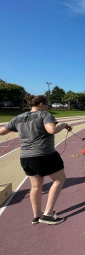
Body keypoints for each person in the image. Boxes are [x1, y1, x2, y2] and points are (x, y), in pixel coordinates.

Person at [0, 94, 72, 225]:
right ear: (41, 104)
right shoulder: (44, 115)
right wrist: (64, 124)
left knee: (35, 186)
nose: (48, 106)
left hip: (26, 158)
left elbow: (1, 131)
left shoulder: (18, 118)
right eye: (47, 104)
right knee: (59, 179)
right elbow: (52, 130)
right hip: (45, 155)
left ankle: (36, 215)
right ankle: (48, 215)